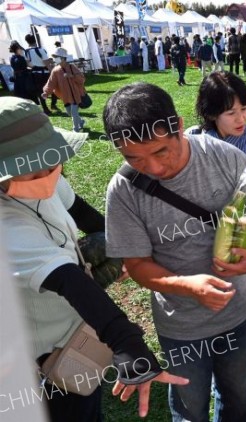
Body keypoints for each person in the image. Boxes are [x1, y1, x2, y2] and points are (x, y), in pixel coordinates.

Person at [0, 97, 188, 421]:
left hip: (76, 331)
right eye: (33, 173)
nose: (48, 176)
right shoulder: (8, 227)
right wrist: (127, 343)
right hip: (42, 358)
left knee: (88, 403)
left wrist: (129, 250)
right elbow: (71, 283)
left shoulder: (45, 178)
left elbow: (85, 216)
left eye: (52, 164)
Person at [103, 82, 246, 422]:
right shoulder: (124, 190)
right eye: (133, 158)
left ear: (179, 126)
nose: (153, 168)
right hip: (181, 327)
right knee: (189, 407)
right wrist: (188, 286)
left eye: (160, 152)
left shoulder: (223, 156)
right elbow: (137, 265)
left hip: (239, 312)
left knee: (236, 397)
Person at [42, 47, 86, 132]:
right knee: (70, 113)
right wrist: (46, 93)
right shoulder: (55, 70)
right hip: (65, 96)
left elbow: (82, 79)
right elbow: (51, 83)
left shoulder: (72, 67)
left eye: (56, 56)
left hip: (76, 95)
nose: (55, 59)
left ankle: (75, 129)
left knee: (73, 113)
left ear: (63, 58)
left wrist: (72, 76)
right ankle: (81, 121)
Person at [24, 33, 52, 115]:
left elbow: (28, 63)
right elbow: (46, 62)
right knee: (50, 88)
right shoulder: (40, 50)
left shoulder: (27, 52)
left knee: (40, 91)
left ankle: (45, 108)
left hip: (35, 73)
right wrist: (51, 70)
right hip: (44, 73)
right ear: (35, 40)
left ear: (27, 41)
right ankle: (52, 105)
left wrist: (34, 66)